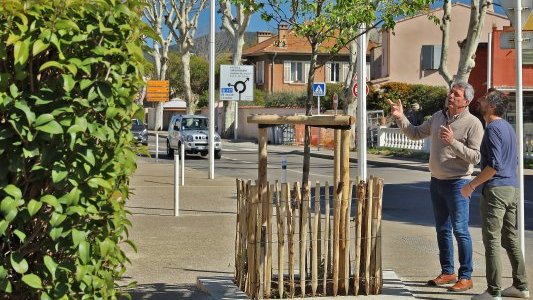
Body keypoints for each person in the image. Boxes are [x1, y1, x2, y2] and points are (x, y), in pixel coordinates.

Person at [388, 82, 484, 292]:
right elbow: (414, 133)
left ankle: (466, 276)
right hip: (437, 182)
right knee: (442, 230)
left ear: (466, 101)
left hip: (459, 183)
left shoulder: (473, 123)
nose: (451, 96)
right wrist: (400, 117)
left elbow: (476, 157)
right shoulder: (437, 117)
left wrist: (452, 142)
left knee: (460, 231)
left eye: (456, 95)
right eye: (451, 92)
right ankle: (448, 271)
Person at [461, 90, 529, 300]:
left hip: (497, 190)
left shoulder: (492, 129)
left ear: (491, 107)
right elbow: (513, 162)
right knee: (510, 239)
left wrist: (471, 185)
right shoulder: (508, 128)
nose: (479, 100)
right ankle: (521, 286)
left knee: (491, 240)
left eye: (484, 99)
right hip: (512, 188)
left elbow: (494, 165)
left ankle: (494, 291)